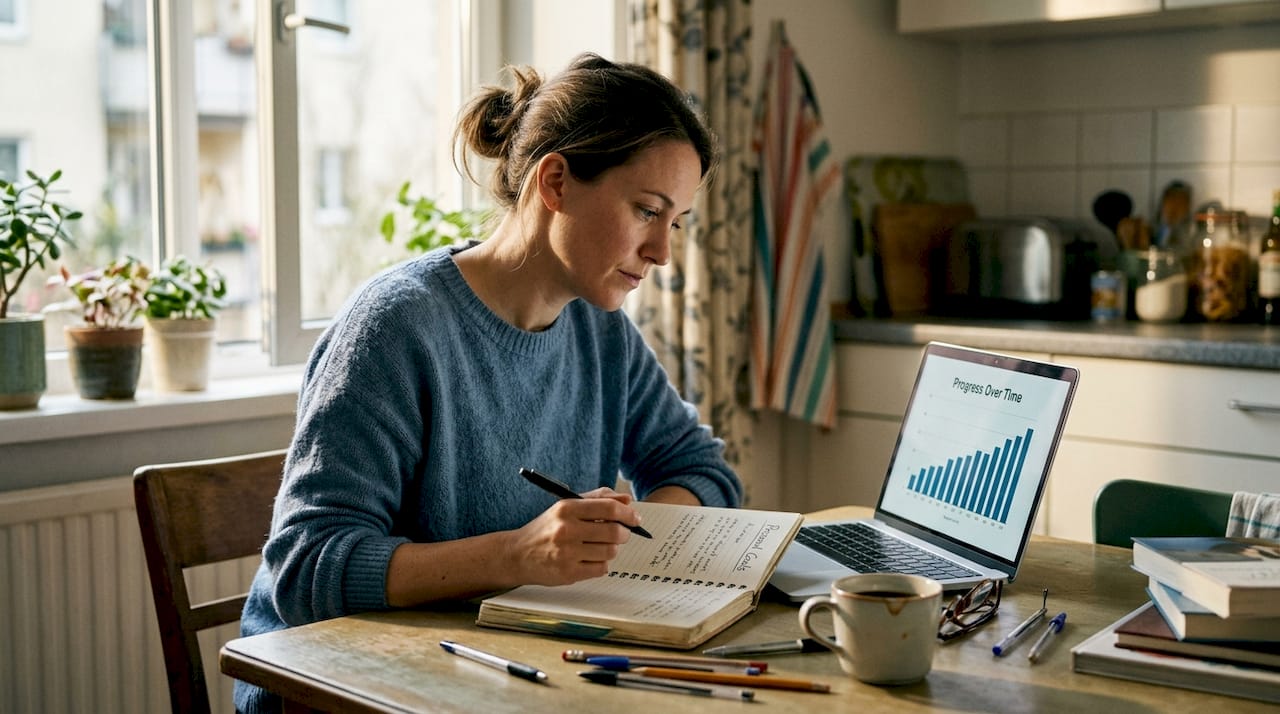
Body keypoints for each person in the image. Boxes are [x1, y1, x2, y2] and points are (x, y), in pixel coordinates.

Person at [234, 53, 743, 713]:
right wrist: (520, 554)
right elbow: (309, 568)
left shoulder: (599, 328)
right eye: (647, 210)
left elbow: (702, 469)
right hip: (339, 693)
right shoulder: (397, 327)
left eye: (675, 223)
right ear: (555, 182)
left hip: (501, 677)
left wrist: (619, 538)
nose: (662, 252)